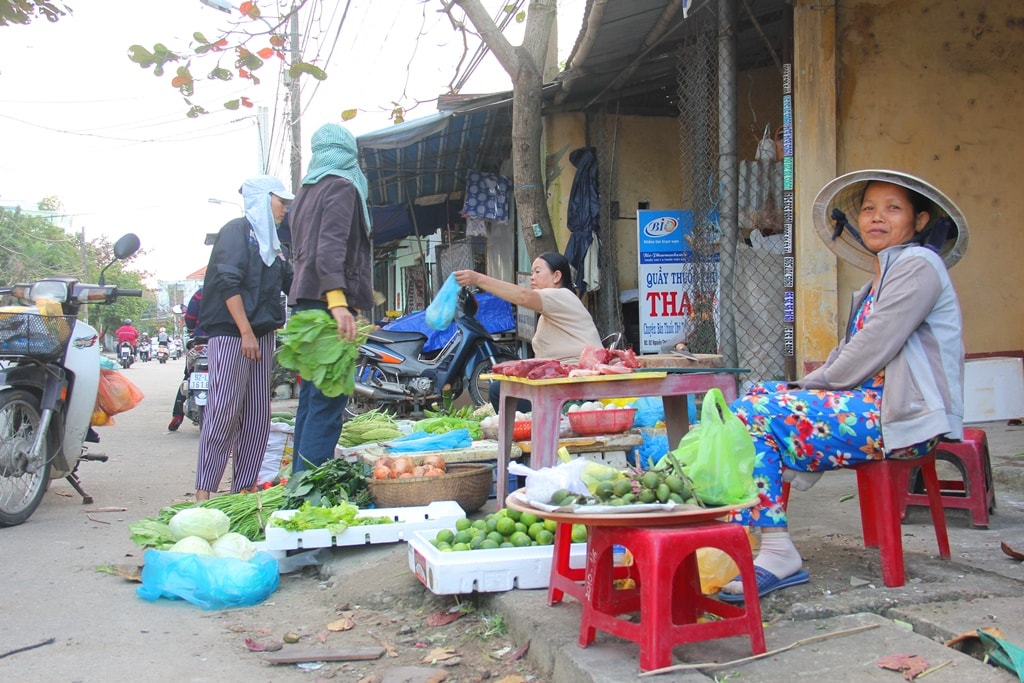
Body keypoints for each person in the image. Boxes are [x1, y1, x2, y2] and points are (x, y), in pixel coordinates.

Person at [718, 170, 968, 602]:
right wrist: (798, 388)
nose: (876, 217)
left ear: (920, 220)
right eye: (869, 208)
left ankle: (776, 552)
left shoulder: (918, 267)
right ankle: (750, 536)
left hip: (900, 418)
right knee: (756, 397)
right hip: (867, 408)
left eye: (893, 208)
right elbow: (845, 354)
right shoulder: (878, 281)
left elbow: (870, 349)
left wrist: (808, 388)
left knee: (753, 414)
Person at [194, 175, 294, 500]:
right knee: (224, 410)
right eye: (282, 202)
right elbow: (227, 282)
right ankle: (203, 493)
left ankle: (244, 491)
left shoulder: (276, 246)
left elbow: (291, 285)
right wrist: (245, 332)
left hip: (262, 336)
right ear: (264, 199)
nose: (285, 210)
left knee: (257, 416)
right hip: (233, 334)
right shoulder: (236, 231)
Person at [287, 123, 374, 473]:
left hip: (306, 305)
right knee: (327, 403)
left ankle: (298, 484)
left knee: (311, 401)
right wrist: (338, 303)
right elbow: (330, 248)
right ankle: (309, 491)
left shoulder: (307, 191)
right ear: (348, 151)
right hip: (325, 306)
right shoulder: (341, 186)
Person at [454, 252, 603, 412]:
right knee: (500, 388)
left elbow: (523, 297)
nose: (532, 277)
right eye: (531, 272)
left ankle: (525, 433)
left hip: (576, 384)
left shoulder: (561, 295)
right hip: (560, 381)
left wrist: (478, 279)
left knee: (499, 391)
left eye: (537, 272)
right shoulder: (554, 304)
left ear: (556, 276)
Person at [168, 287, 205, 432]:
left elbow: (189, 319)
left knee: (189, 375)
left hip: (200, 342)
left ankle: (177, 415)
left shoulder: (200, 293)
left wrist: (192, 329)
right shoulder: (234, 291)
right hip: (225, 342)